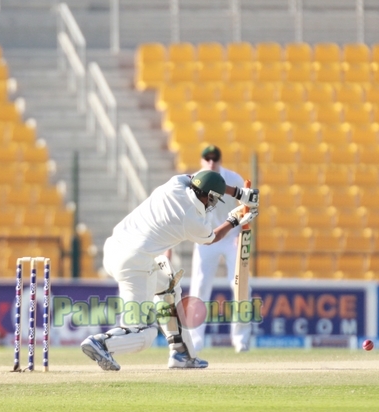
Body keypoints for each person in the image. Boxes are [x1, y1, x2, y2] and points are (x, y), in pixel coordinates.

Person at [80, 169, 259, 371]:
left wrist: (239, 194)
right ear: (208, 196)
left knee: (168, 286)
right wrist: (234, 220)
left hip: (116, 247)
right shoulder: (190, 218)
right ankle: (101, 343)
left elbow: (200, 177)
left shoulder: (177, 183)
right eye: (214, 199)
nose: (213, 204)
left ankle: (182, 353)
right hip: (134, 263)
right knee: (144, 334)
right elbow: (212, 238)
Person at [187, 145, 253, 353]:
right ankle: (195, 341)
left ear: (220, 161)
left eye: (215, 159)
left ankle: (241, 340)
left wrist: (242, 234)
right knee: (199, 287)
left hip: (231, 236)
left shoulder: (233, 179)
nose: (211, 163)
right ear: (202, 160)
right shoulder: (195, 180)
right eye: (207, 159)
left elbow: (247, 207)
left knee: (241, 286)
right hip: (206, 237)